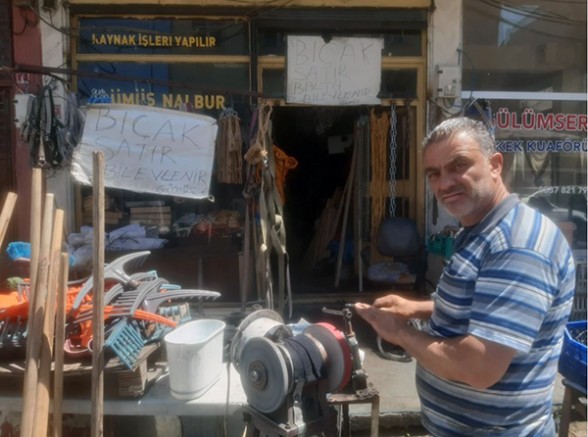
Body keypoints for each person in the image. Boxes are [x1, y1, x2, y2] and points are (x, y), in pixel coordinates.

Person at [355, 117, 576, 436]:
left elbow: (478, 368)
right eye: (434, 173)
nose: (444, 183)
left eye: (458, 166)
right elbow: (486, 305)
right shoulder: (477, 230)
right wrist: (415, 308)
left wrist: (401, 333)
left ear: (495, 165)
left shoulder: (517, 244)